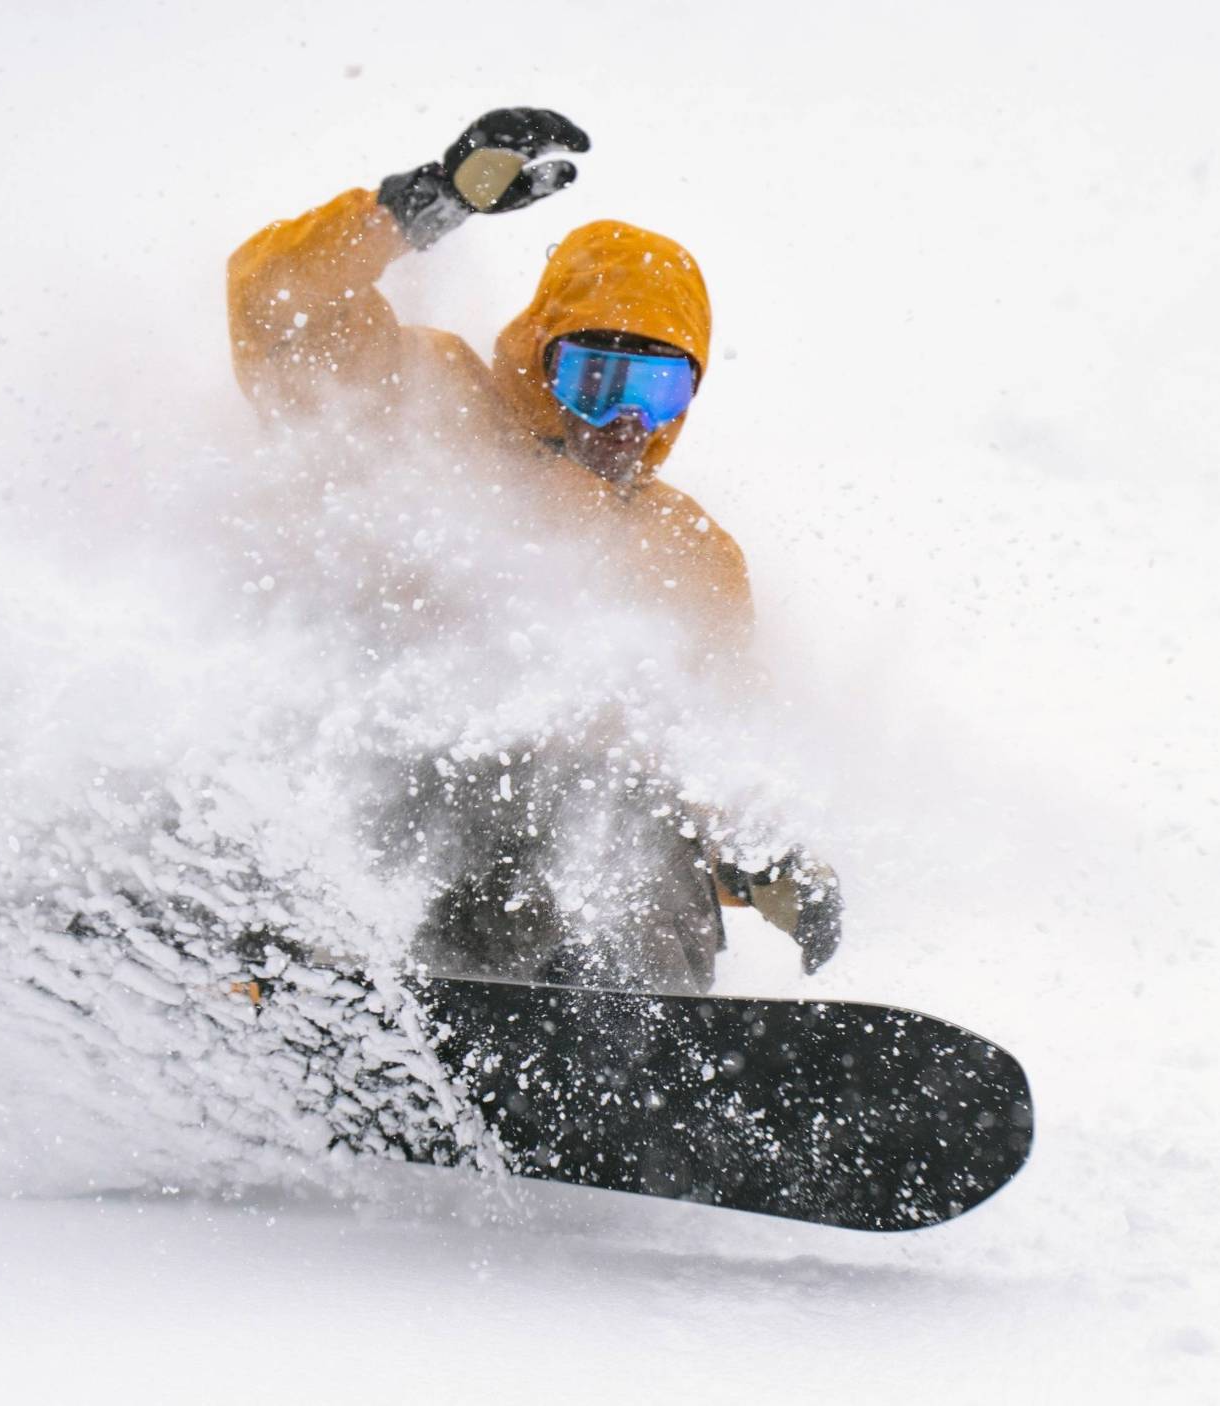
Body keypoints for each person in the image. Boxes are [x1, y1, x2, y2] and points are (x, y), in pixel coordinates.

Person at [227, 108, 841, 989]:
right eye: (596, 380)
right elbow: (277, 307)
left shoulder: (692, 557)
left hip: (586, 891)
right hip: (397, 797)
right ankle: (328, 983)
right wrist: (421, 208)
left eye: (658, 389)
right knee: (533, 793)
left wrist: (754, 860)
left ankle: (634, 1054)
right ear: (539, 357)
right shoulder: (430, 407)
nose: (626, 420)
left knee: (627, 823)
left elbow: (701, 750)